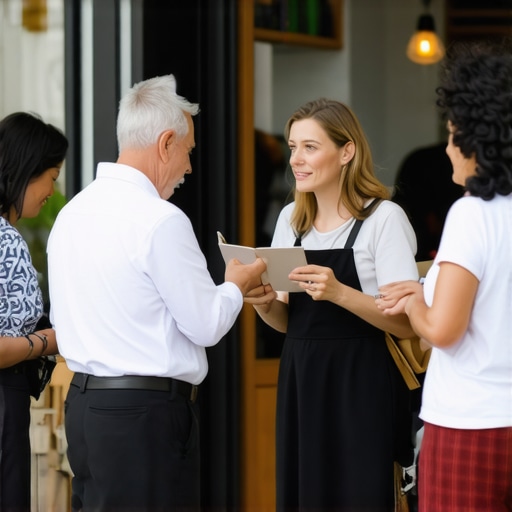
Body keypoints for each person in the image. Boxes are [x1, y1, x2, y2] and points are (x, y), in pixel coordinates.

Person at [46, 74, 266, 512]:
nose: (187, 168)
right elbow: (206, 324)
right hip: (144, 416)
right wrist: (235, 287)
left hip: (84, 408)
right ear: (166, 143)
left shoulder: (71, 215)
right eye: (187, 153)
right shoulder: (160, 219)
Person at [244, 98, 419, 511]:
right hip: (302, 378)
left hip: (364, 381)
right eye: (292, 147)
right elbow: (291, 323)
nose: (296, 160)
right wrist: (264, 304)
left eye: (309, 147)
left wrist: (341, 292)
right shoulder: (291, 219)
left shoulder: (383, 219)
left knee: (360, 493)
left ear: (346, 151)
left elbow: (409, 324)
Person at [377, 40, 512, 512]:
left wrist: (415, 298)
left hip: (470, 425)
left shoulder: (473, 214)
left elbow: (444, 330)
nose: (449, 147)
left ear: (479, 138)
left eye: (454, 133)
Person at [0, 111, 67, 511]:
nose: (51, 192)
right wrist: (48, 340)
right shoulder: (6, 241)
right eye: (52, 177)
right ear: (27, 170)